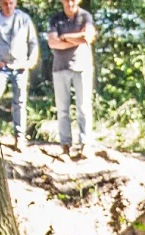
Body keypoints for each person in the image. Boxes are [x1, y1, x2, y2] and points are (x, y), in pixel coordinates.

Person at [0, 0, 39, 149]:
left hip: (20, 67)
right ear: (0, 3)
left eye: (11, 3)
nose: (8, 6)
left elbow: (33, 42)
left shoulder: (23, 19)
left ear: (15, 3)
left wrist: (30, 62)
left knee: (20, 102)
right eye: (5, 3)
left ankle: (20, 137)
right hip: (1, 67)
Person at [46, 0, 95, 158]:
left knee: (83, 107)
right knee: (62, 109)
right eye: (66, 0)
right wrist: (76, 39)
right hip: (60, 67)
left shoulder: (85, 16)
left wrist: (64, 37)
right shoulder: (55, 19)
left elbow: (87, 37)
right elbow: (52, 42)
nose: (70, 2)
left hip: (82, 66)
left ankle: (85, 144)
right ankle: (65, 145)